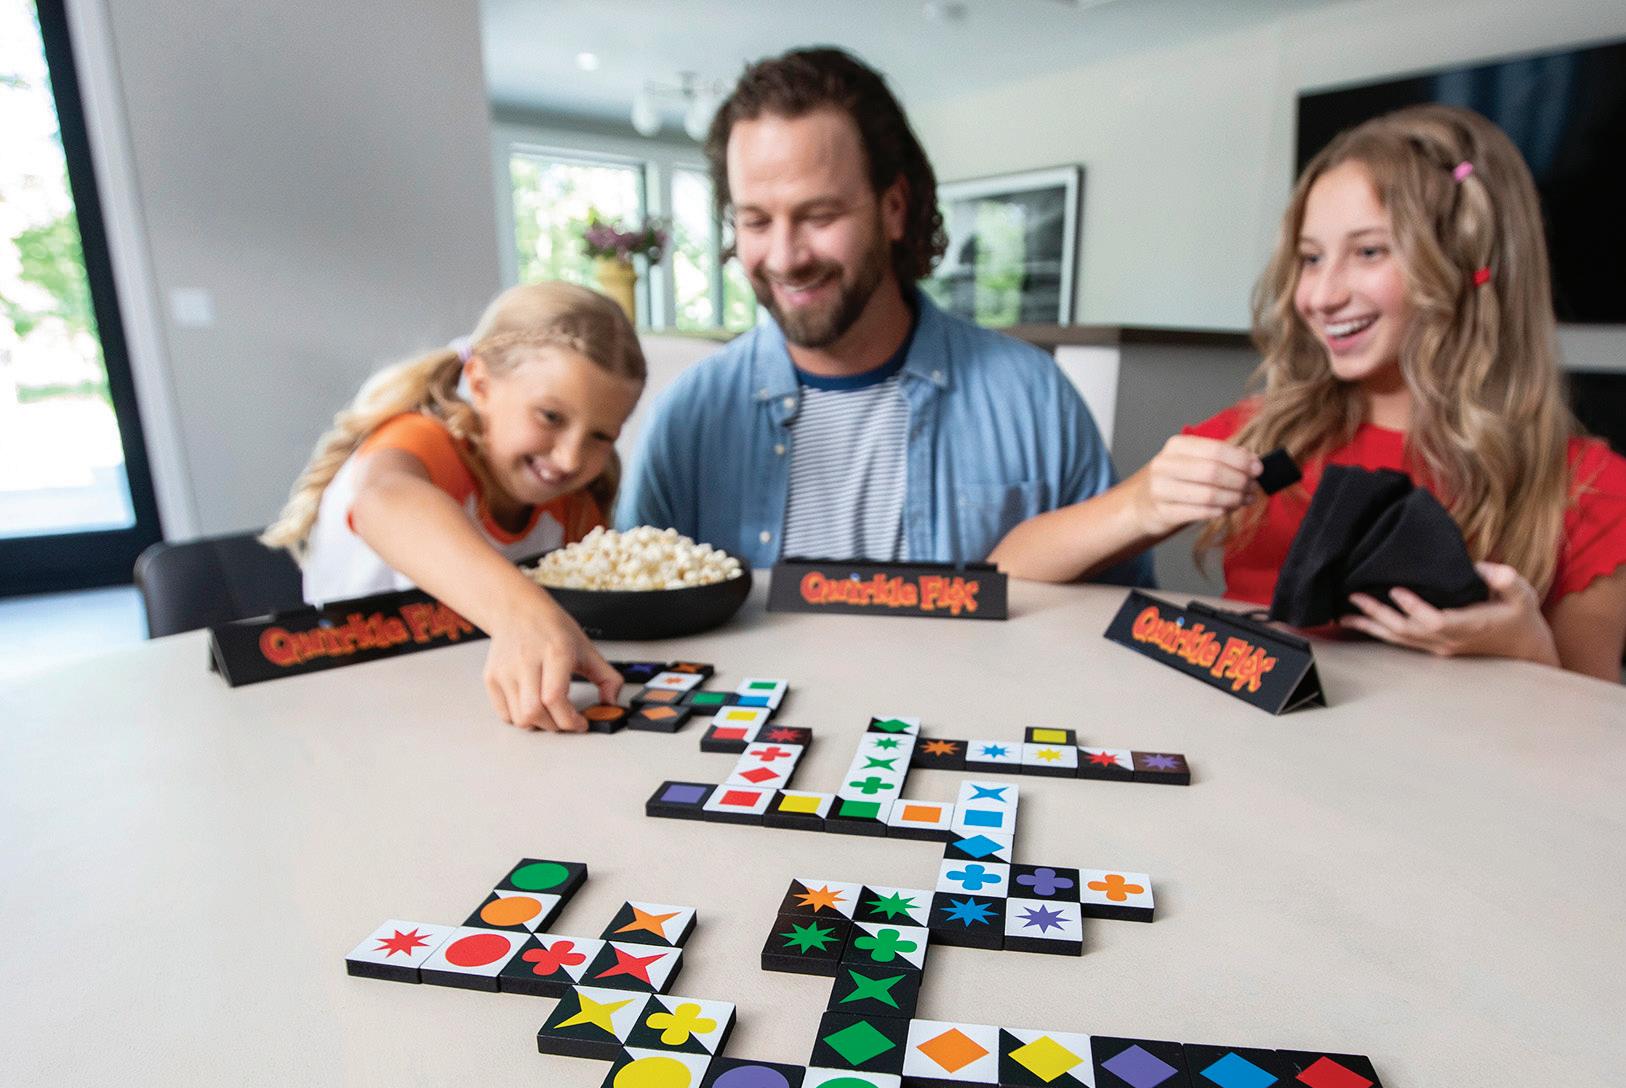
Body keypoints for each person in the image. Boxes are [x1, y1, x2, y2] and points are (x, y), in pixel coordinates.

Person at [989, 105, 1626, 680]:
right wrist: (1141, 504)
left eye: (1369, 252)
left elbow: (1588, 733)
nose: (1320, 296)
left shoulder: (1589, 489)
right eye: (1311, 259)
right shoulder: (1263, 437)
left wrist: (1527, 647)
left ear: (1468, 265)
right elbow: (1008, 572)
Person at [620, 47, 1147, 583]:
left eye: (819, 216)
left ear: (894, 207)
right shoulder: (686, 421)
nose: (784, 258)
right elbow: (627, 620)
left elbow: (1118, 615)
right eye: (755, 222)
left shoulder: (1035, 400)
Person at [262, 282, 643, 728]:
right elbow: (382, 500)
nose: (570, 459)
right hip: (353, 717)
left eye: (601, 436)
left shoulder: (571, 504)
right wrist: (522, 612)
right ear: (480, 384)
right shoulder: (425, 444)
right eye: (550, 417)